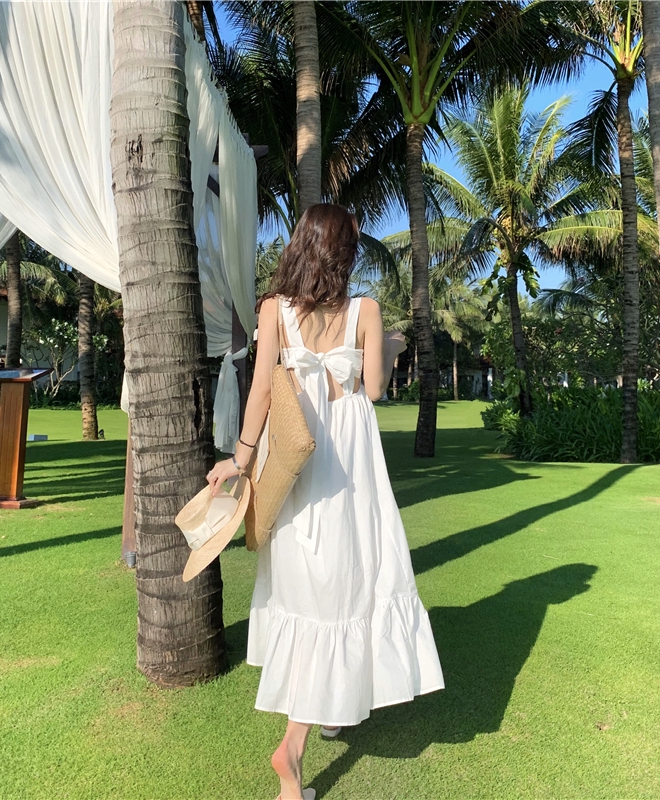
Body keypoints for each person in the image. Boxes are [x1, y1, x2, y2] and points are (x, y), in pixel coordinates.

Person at [206, 204, 444, 800]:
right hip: (350, 465)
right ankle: (292, 750)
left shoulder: (273, 309)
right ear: (345, 252)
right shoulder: (366, 310)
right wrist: (388, 346)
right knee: (350, 585)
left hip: (297, 461)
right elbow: (375, 388)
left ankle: (326, 712)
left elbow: (262, 391)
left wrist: (239, 461)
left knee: (310, 590)